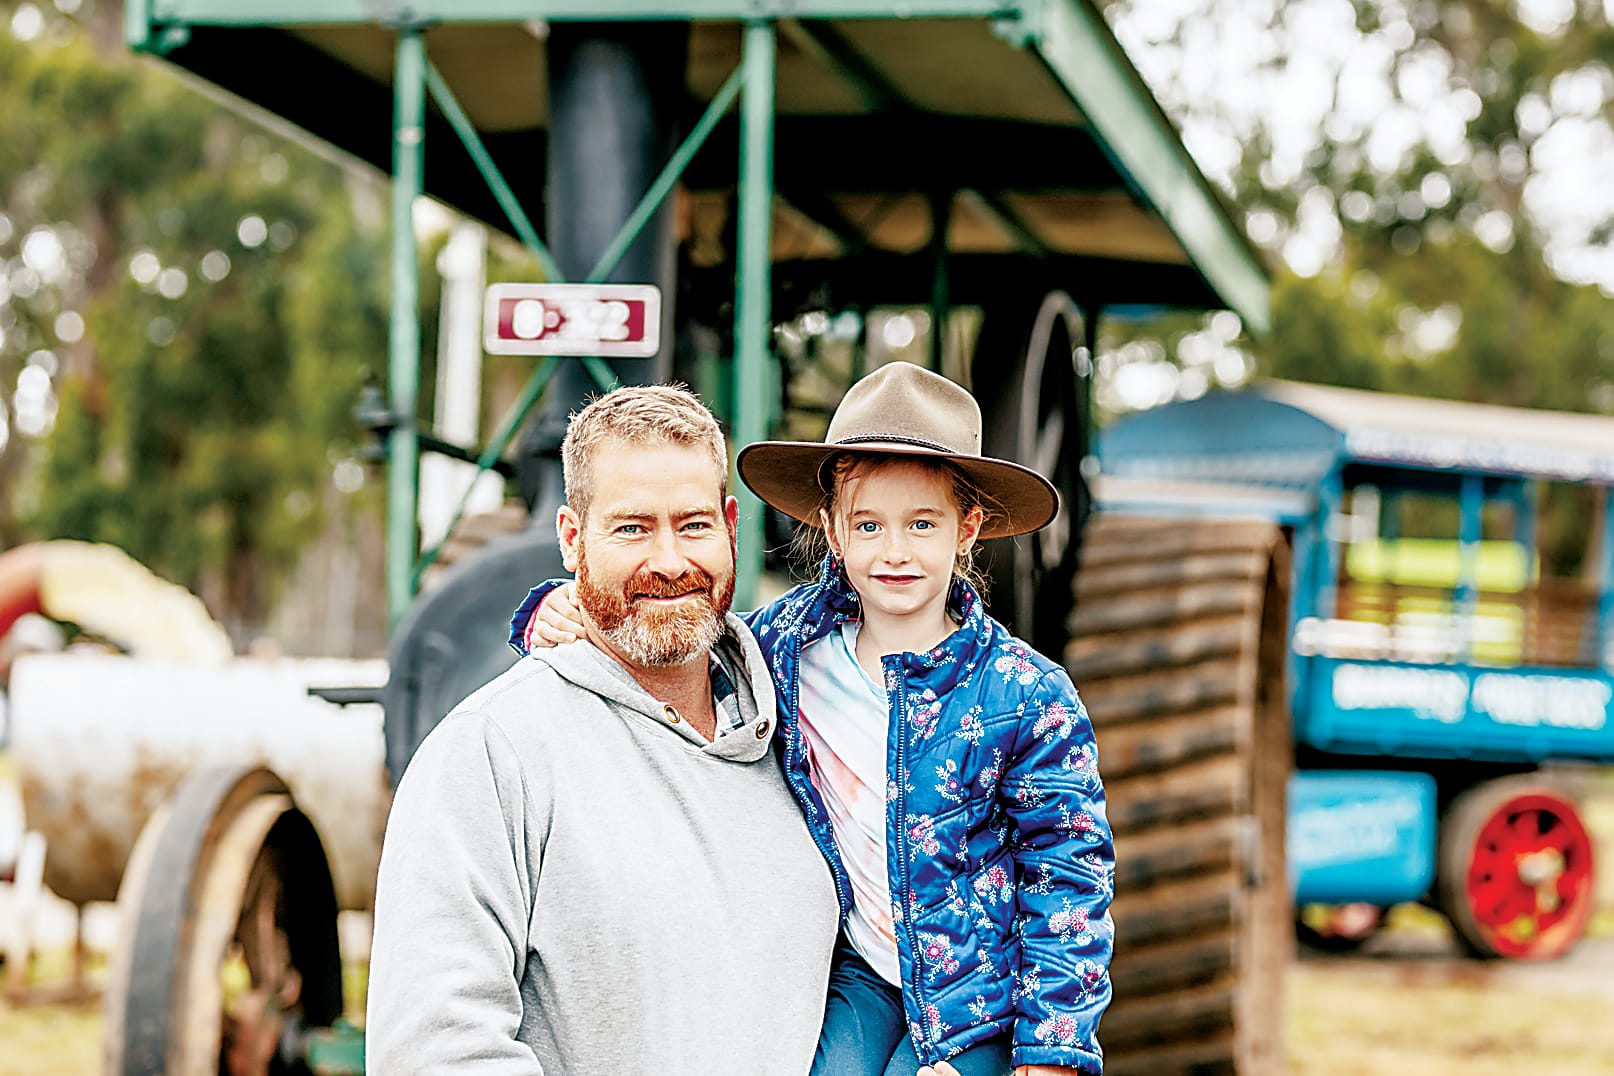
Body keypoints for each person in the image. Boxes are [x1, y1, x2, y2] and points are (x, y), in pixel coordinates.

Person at [517, 362, 1114, 1076]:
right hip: (859, 970)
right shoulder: (788, 648)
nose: (894, 550)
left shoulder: (1027, 695)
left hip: (981, 991)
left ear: (968, 529)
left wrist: (1050, 1052)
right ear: (831, 528)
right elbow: (677, 630)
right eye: (869, 524)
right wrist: (552, 608)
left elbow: (1069, 874)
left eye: (923, 524)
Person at [366, 385, 842, 1075]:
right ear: (570, 539)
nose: (671, 561)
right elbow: (433, 1052)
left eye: (694, 524)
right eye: (631, 528)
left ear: (732, 527)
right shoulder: (491, 754)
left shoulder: (804, 739)